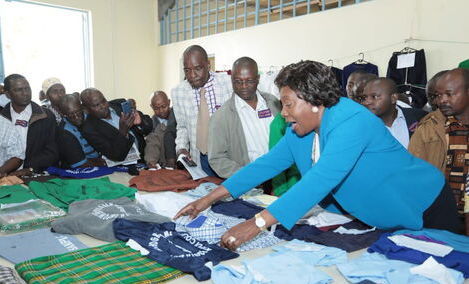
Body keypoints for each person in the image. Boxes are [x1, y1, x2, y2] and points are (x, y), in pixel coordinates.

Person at [175, 60, 463, 251]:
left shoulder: (352, 121)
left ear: (313, 101)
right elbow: (265, 164)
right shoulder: (300, 131)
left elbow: (320, 181)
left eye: (288, 104)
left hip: (425, 204)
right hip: (382, 213)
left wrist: (256, 224)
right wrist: (207, 199)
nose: (284, 113)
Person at [409, 68, 469, 235]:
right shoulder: (428, 127)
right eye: (438, 95)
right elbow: (414, 174)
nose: (442, 100)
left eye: (449, 94)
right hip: (443, 216)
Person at [208, 57, 281, 178]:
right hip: (251, 182)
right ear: (231, 80)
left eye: (249, 81)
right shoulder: (221, 116)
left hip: (281, 176)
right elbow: (217, 158)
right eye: (238, 81)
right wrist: (247, 175)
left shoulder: (273, 103)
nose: (244, 86)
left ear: (258, 79)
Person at [171, 45, 232, 176]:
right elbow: (182, 127)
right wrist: (181, 148)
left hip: (228, 157)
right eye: (187, 70)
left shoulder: (229, 84)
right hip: (200, 158)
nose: (192, 75)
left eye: (197, 68)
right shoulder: (178, 92)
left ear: (208, 65)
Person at [0, 74, 59, 176]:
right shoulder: (2, 118)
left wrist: (30, 168)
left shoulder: (45, 115)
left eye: (27, 88)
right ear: (8, 94)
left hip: (37, 173)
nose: (25, 93)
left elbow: (52, 150)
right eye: (18, 90)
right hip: (5, 175)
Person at [362, 78, 427, 148]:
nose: (366, 102)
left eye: (374, 96)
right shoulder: (360, 126)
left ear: (393, 98)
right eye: (365, 97)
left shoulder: (420, 117)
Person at [80, 88, 137, 163]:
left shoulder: (119, 104)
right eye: (96, 105)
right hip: (127, 166)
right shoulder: (89, 129)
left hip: (146, 157)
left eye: (103, 101)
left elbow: (148, 125)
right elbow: (117, 155)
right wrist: (123, 131)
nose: (103, 106)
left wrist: (140, 123)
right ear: (86, 109)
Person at [56, 94, 105, 168]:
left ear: (82, 107)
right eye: (71, 114)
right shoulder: (64, 132)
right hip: (81, 168)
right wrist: (105, 162)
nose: (76, 116)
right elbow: (81, 164)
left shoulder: (91, 117)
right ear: (62, 114)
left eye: (78, 111)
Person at [145, 91, 177, 168]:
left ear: (169, 102)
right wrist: (151, 161)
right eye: (156, 108)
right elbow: (152, 144)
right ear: (151, 107)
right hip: (165, 166)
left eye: (163, 106)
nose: (161, 111)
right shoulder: (152, 124)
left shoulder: (178, 115)